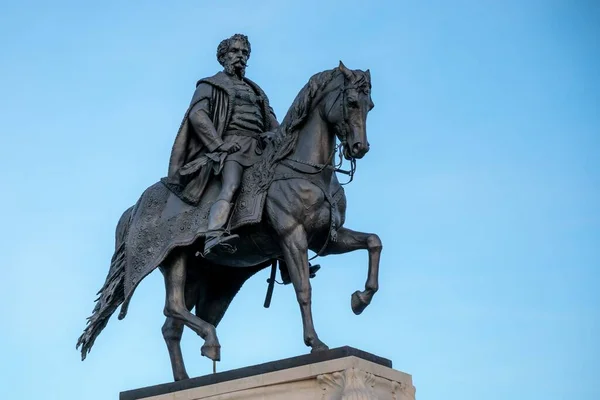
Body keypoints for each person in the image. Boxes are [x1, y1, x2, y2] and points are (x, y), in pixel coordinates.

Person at [167, 34, 279, 255]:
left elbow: (272, 120)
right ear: (223, 56)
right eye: (235, 52)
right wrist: (218, 145)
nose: (240, 57)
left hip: (259, 149)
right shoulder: (211, 85)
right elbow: (198, 115)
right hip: (232, 147)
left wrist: (274, 134)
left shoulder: (256, 91)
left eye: (244, 53)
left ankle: (284, 254)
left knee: (284, 190)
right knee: (231, 185)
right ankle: (213, 234)